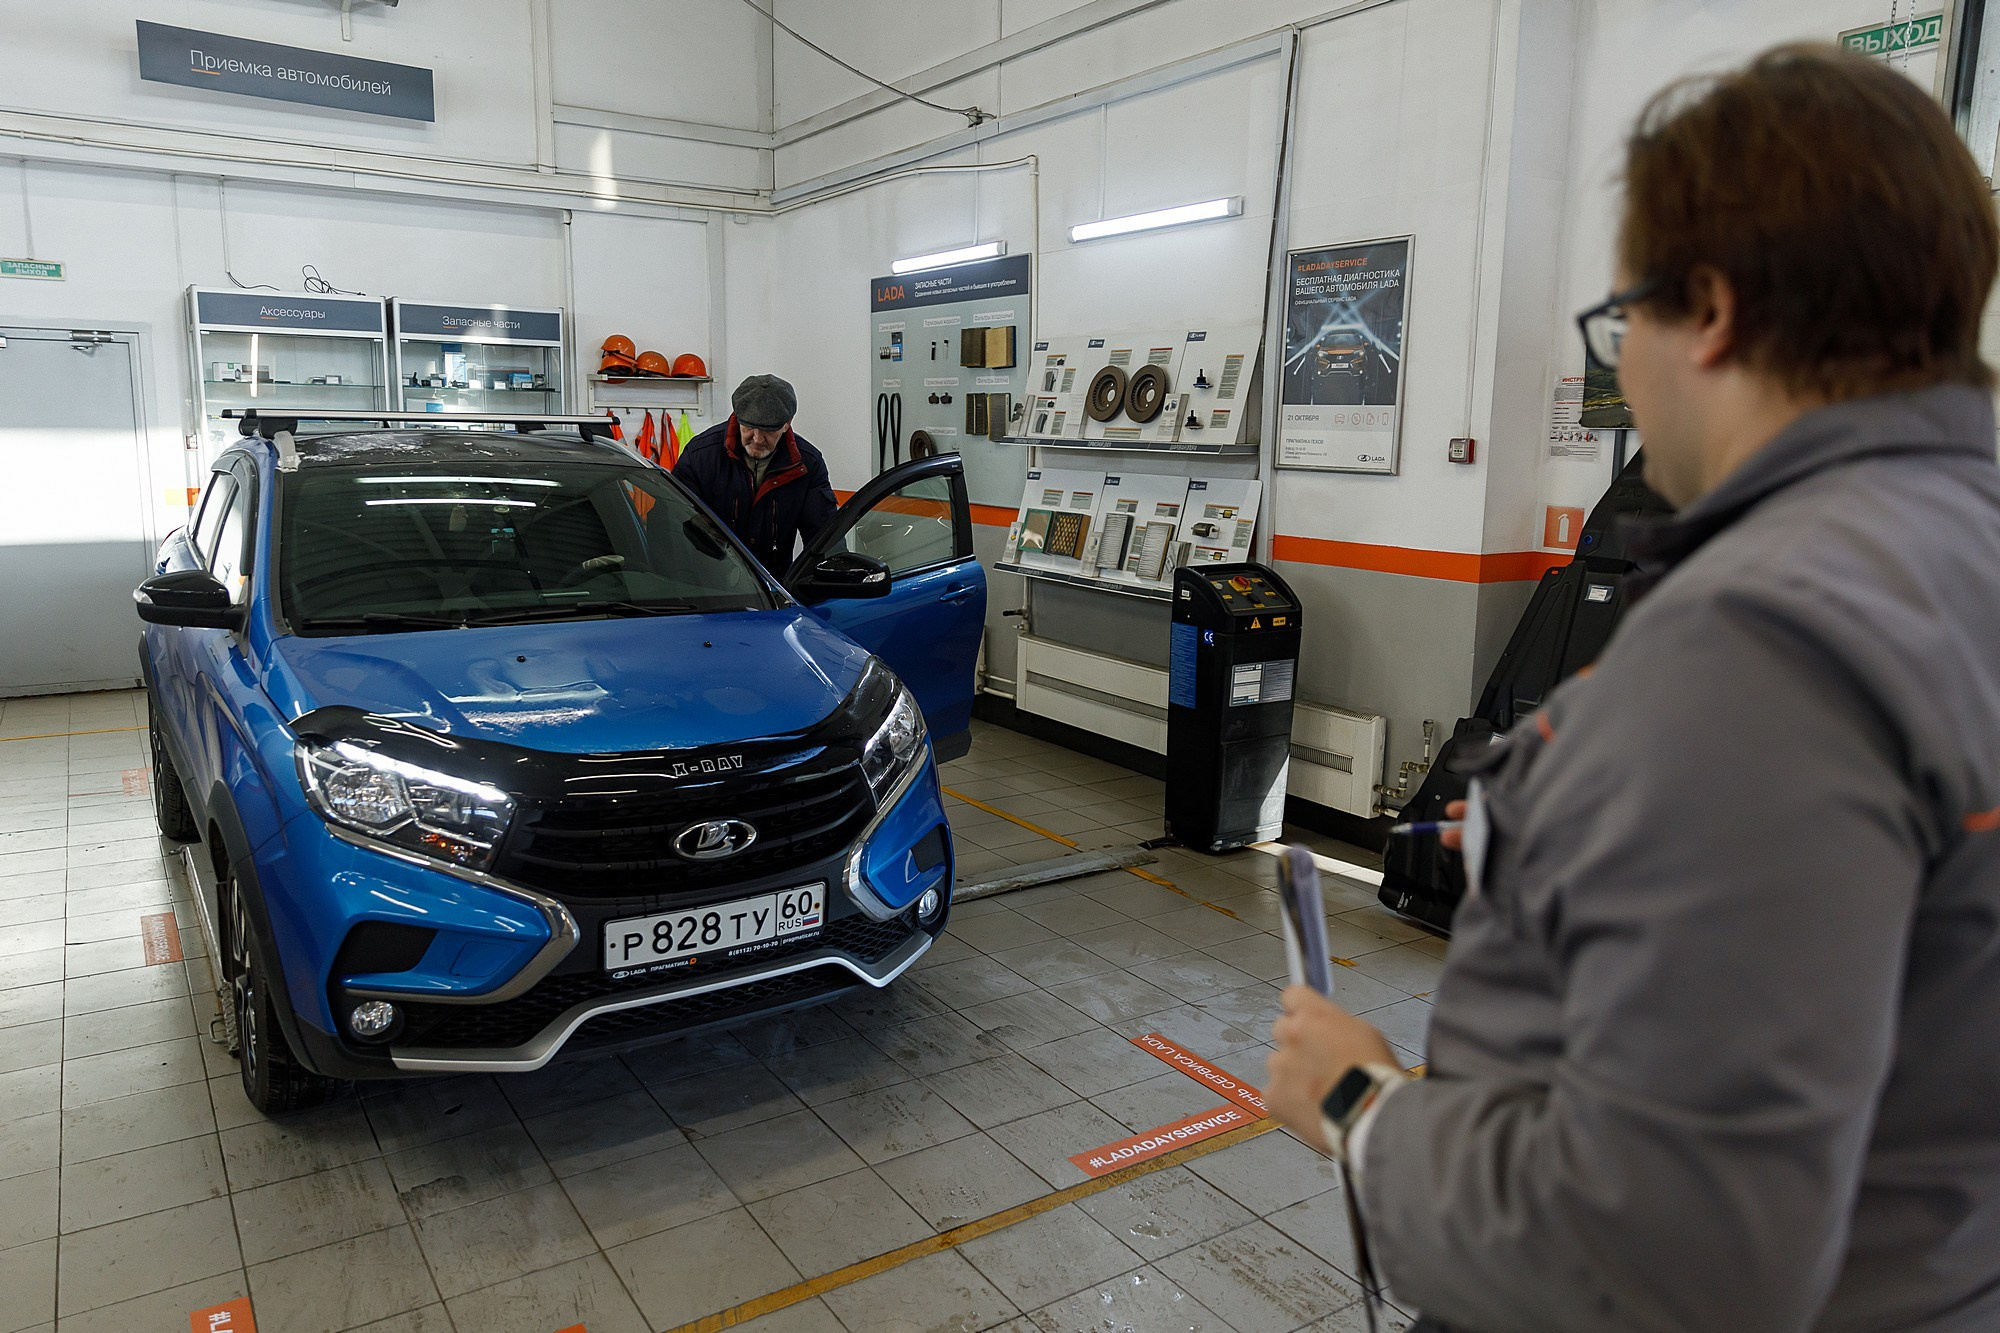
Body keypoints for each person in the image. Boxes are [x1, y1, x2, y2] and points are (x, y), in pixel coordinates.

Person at [1267, 44, 2000, 1333]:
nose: (1628, 373)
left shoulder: (1761, 650)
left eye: (1625, 324)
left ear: (1706, 311)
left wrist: (1359, 1107)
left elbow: (1662, 1256)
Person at [673, 374, 838, 572]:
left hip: (772, 587)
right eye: (749, 427)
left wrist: (832, 584)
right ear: (736, 417)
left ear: (787, 424)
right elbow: (672, 524)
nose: (758, 439)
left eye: (769, 430)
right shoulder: (700, 456)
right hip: (708, 585)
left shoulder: (807, 464)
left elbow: (824, 538)